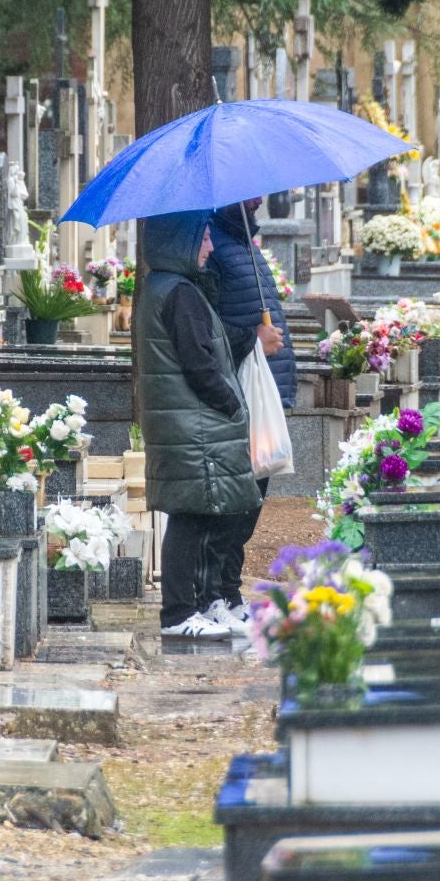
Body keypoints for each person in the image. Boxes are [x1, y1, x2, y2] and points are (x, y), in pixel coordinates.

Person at [134, 209, 262, 639]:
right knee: (190, 517)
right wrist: (231, 404)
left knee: (192, 515)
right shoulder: (180, 294)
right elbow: (199, 364)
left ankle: (192, 608)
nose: (210, 246)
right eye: (203, 238)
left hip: (184, 421)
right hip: (194, 423)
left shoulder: (164, 287)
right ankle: (177, 614)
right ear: (181, 242)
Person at [202, 198, 294, 635]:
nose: (258, 197)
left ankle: (230, 591)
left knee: (252, 500)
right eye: (250, 192)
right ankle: (217, 593)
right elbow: (208, 327)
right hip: (241, 390)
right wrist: (252, 339)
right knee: (237, 501)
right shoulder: (217, 244)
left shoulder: (246, 242)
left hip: (266, 388)